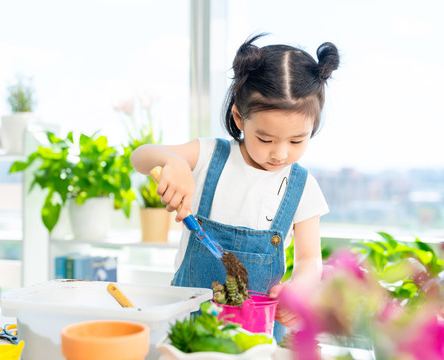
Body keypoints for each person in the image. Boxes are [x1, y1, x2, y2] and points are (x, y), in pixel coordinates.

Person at [130, 33, 339, 340]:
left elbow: (309, 259)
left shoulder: (302, 186)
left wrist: (299, 289)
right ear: (239, 117)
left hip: (258, 335)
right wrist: (172, 162)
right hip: (188, 330)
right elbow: (140, 156)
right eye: (265, 139)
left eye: (297, 141)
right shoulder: (209, 156)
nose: (280, 153)